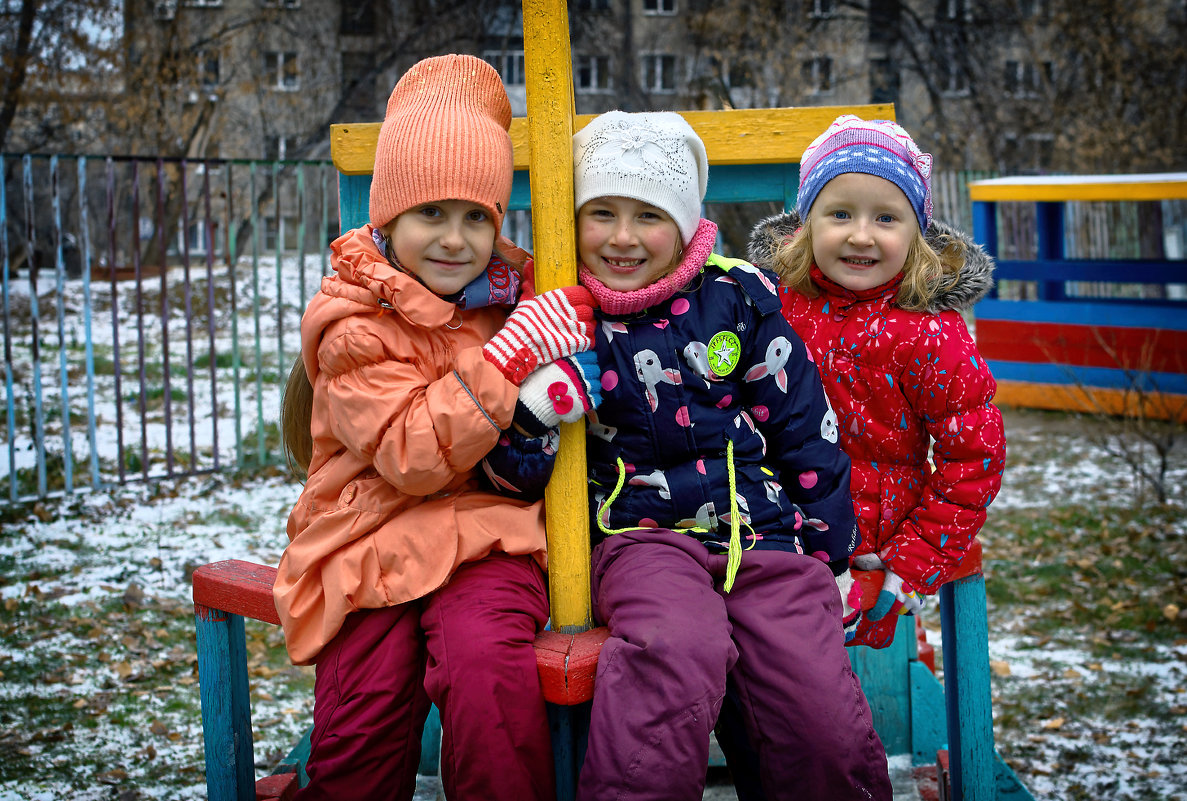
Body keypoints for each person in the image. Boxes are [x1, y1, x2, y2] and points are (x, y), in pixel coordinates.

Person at [274, 54, 600, 801]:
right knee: (364, 710)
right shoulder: (354, 324)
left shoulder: (505, 297)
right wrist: (511, 356)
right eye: (430, 214)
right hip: (367, 544)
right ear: (387, 218)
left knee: (490, 677)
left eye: (476, 217)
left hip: (486, 536)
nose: (454, 240)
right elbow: (412, 454)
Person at [562, 110, 892, 801]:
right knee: (675, 653)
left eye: (647, 215)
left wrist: (828, 549)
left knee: (814, 706)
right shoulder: (564, 315)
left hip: (766, 535)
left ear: (684, 222)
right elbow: (527, 441)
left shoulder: (739, 295)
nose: (622, 238)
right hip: (641, 538)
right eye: (601, 213)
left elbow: (803, 424)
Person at [747, 115, 1006, 650]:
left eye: (886, 217)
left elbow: (974, 455)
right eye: (840, 213)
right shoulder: (772, 304)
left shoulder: (929, 332)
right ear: (806, 223)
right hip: (767, 523)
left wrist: (907, 564)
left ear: (916, 235)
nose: (860, 235)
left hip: (871, 540)